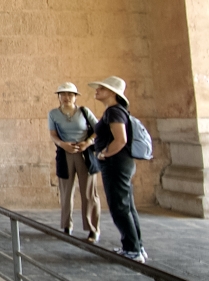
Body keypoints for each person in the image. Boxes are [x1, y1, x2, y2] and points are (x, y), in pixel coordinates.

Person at [89, 76, 146, 263]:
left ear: (112, 93)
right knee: (127, 205)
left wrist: (104, 153)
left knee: (119, 206)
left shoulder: (114, 112)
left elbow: (120, 139)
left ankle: (132, 249)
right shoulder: (115, 111)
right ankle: (136, 246)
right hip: (121, 163)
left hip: (116, 164)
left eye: (101, 89)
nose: (97, 91)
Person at [48, 82, 101, 243]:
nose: (66, 98)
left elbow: (98, 130)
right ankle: (66, 225)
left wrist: (88, 142)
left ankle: (92, 228)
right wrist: (62, 144)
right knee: (66, 191)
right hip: (65, 153)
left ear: (75, 97)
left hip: (84, 153)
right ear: (59, 97)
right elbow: (53, 134)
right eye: (63, 94)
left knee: (89, 193)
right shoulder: (54, 114)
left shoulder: (84, 112)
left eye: (70, 94)